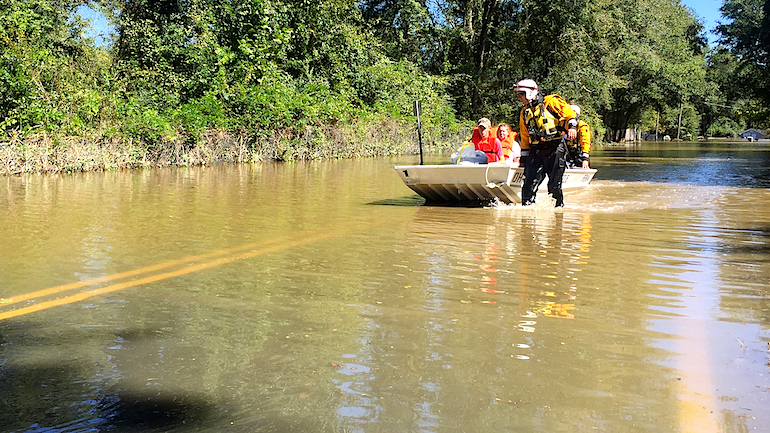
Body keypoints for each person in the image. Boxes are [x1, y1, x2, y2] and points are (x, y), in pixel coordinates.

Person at [515, 79, 577, 207]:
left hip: (555, 148)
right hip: (536, 150)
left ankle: (558, 213)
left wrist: (572, 127)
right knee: (529, 184)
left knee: (554, 185)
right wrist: (523, 158)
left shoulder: (551, 102)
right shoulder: (524, 112)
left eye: (521, 94)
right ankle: (527, 214)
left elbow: (569, 113)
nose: (519, 98)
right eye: (518, 95)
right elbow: (525, 136)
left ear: (530, 92)